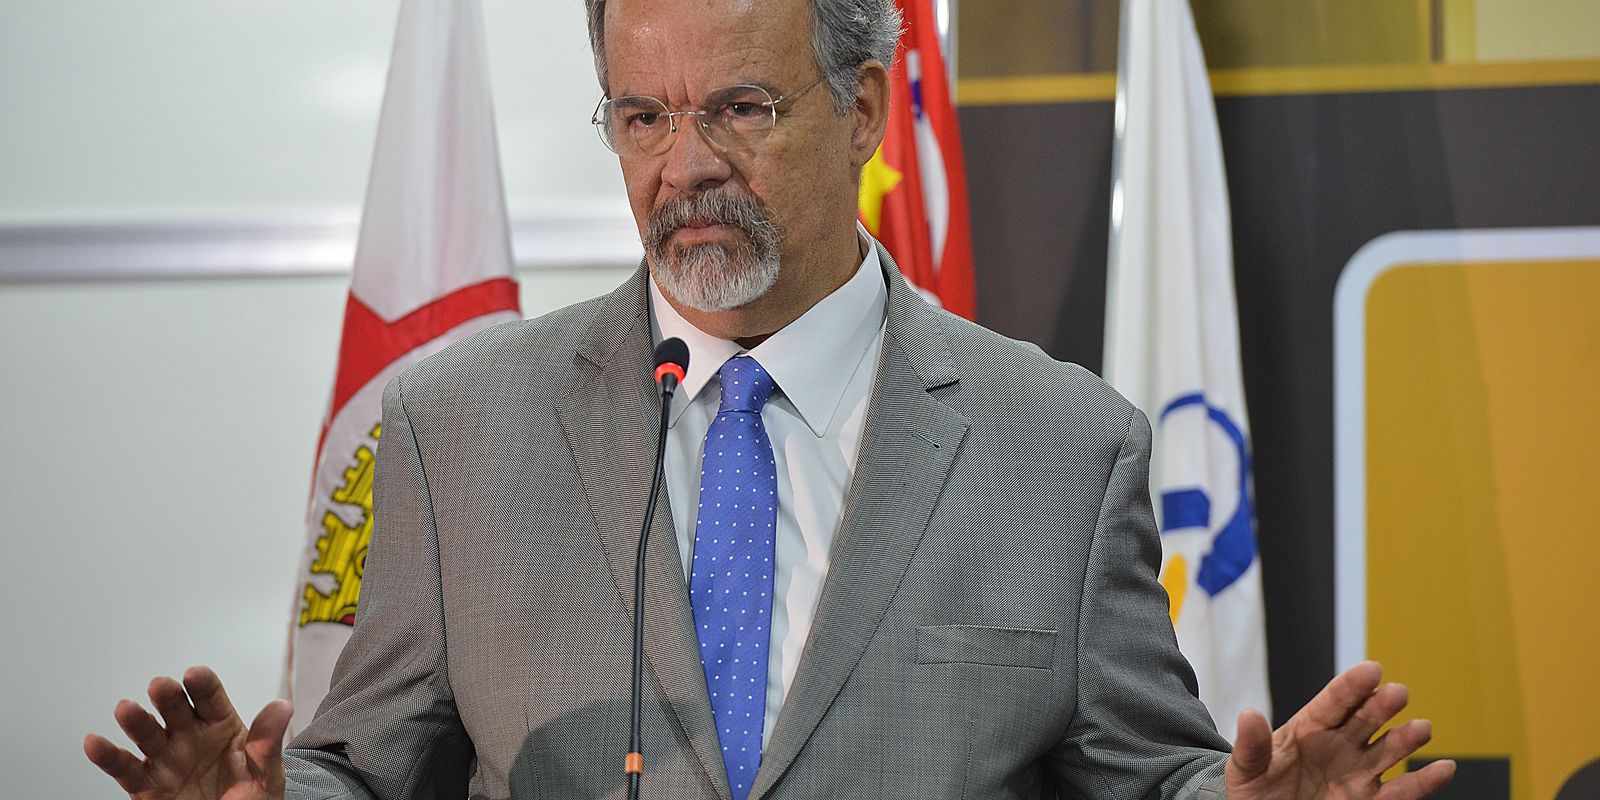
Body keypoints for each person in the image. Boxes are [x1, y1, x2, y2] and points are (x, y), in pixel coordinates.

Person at [85, 0, 1458, 797]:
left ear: (862, 109)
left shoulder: (1061, 449)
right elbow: (367, 770)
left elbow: (1147, 778)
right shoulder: (458, 433)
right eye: (641, 117)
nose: (683, 166)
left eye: (740, 108)